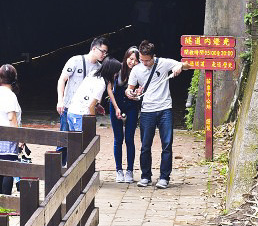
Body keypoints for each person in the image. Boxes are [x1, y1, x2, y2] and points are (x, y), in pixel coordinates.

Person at [126, 40, 192, 189]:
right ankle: (145, 176)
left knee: (167, 145)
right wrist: (131, 93)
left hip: (165, 109)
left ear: (153, 57)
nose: (144, 63)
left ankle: (164, 177)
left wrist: (179, 67)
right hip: (147, 111)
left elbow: (187, 65)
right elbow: (129, 89)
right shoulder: (137, 69)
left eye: (147, 60)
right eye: (141, 60)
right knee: (145, 146)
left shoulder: (163, 63)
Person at [56, 37, 108, 162]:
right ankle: (61, 170)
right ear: (94, 48)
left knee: (83, 142)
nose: (104, 55)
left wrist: (96, 105)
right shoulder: (75, 60)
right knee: (64, 140)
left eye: (106, 53)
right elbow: (62, 79)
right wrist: (60, 100)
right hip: (69, 107)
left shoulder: (99, 68)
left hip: (84, 111)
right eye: (103, 51)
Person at [0, 64, 22, 195]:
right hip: (7, 137)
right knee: (9, 171)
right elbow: (11, 117)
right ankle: (6, 200)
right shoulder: (10, 95)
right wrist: (19, 138)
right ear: (14, 78)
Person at [109, 47, 140, 183]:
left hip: (132, 106)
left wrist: (138, 94)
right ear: (126, 57)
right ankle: (118, 170)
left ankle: (129, 171)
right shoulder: (117, 70)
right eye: (130, 58)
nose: (132, 62)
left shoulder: (141, 73)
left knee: (129, 138)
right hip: (116, 104)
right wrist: (116, 108)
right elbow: (109, 90)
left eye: (136, 60)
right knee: (118, 138)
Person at [65, 60, 113, 130]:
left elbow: (87, 94)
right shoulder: (101, 83)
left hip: (72, 111)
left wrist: (97, 105)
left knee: (74, 139)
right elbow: (91, 106)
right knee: (84, 139)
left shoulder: (93, 73)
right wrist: (92, 122)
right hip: (81, 115)